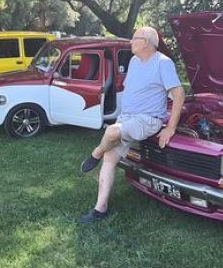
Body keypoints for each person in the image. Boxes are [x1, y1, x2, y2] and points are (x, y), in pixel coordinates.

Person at [78, 26, 184, 223]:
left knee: (110, 133)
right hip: (126, 117)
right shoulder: (134, 61)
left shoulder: (163, 63)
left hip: (148, 120)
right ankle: (100, 210)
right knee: (111, 158)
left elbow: (179, 94)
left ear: (146, 42)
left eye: (134, 38)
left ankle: (95, 154)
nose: (130, 42)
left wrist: (170, 128)